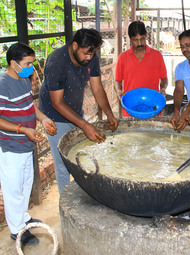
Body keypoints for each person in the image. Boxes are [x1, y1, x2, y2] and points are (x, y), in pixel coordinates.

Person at [39, 28, 118, 194]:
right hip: (54, 115)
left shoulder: (91, 57)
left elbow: (97, 88)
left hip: (75, 110)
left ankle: (83, 195)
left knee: (80, 156)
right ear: (75, 46)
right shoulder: (57, 61)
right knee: (63, 163)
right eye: (86, 53)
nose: (89, 57)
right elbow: (57, 103)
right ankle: (66, 202)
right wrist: (85, 125)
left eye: (93, 53)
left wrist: (110, 114)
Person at [0, 43, 57, 246]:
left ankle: (23, 219)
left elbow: (29, 105)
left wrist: (42, 119)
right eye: (27, 63)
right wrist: (23, 129)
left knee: (24, 186)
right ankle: (17, 231)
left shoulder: (23, 80)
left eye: (32, 63)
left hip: (25, 144)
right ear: (14, 63)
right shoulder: (2, 82)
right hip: (10, 145)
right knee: (13, 189)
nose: (31, 67)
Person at [115, 21, 168, 117]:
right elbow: (118, 80)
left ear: (146, 36)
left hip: (153, 107)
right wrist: (119, 90)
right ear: (130, 39)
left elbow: (164, 78)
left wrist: (163, 88)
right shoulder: (123, 57)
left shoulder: (157, 55)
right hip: (130, 108)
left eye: (142, 39)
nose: (139, 43)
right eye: (136, 40)